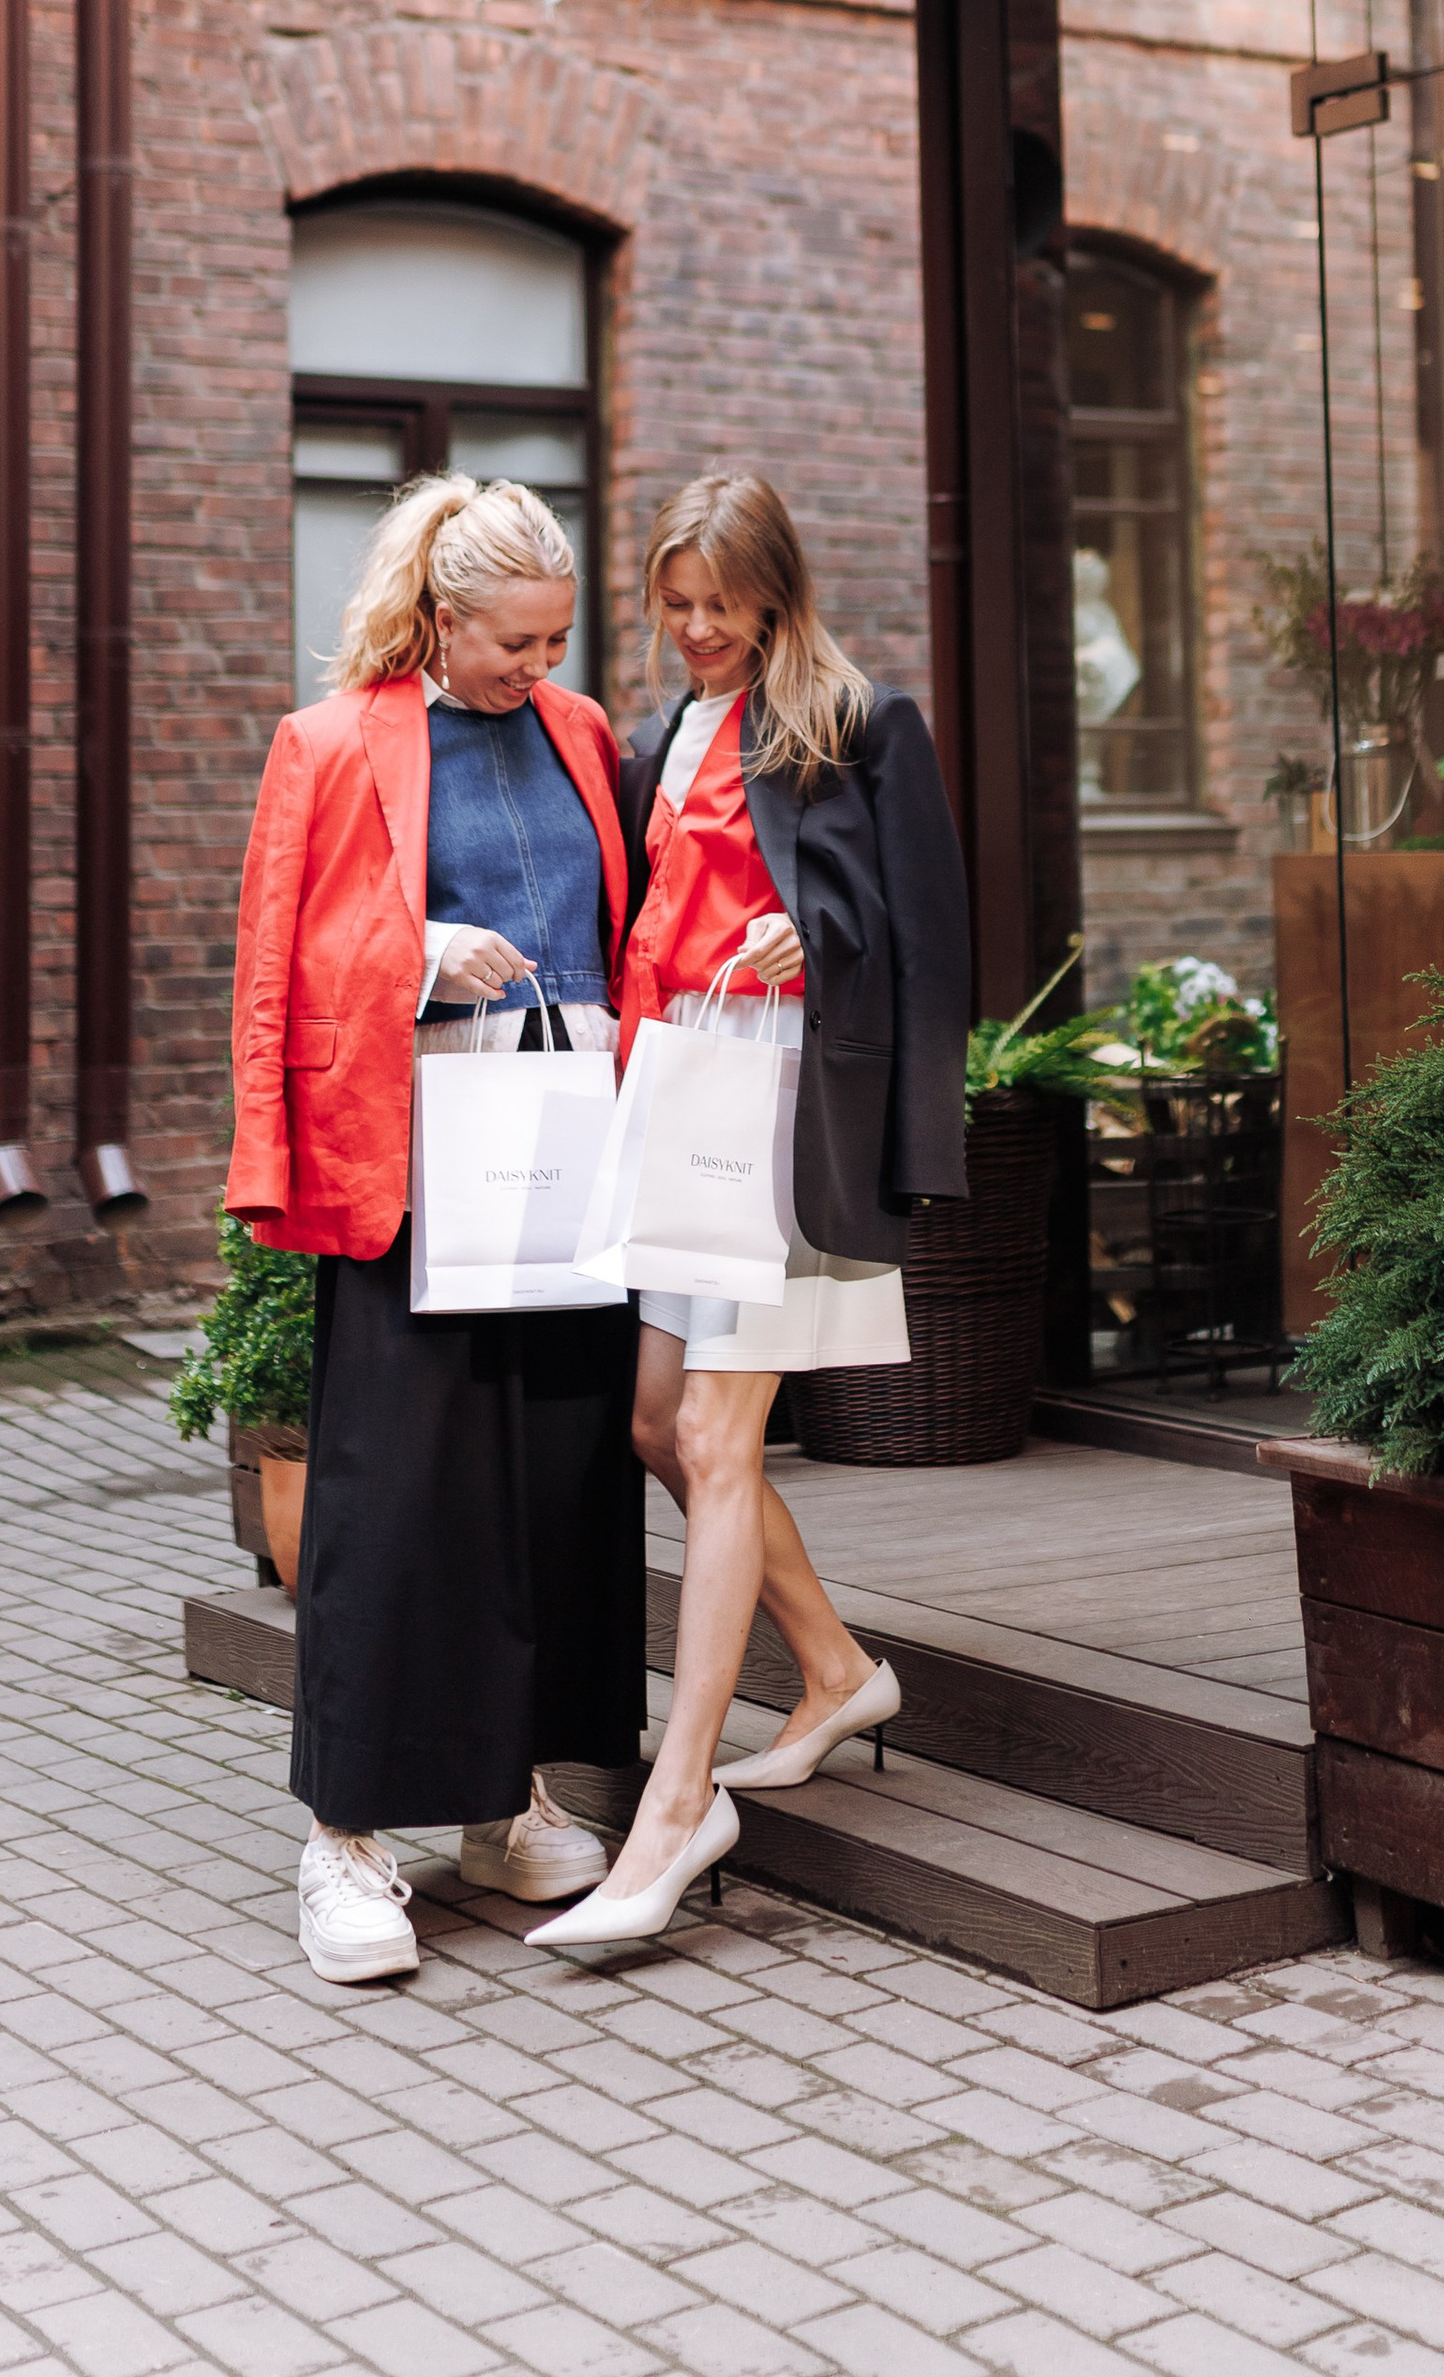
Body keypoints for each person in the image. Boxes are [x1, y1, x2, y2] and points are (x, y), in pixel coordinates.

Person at [530, 470, 971, 1951]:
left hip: (790, 1111)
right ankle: (837, 1669)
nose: (698, 628)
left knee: (718, 1436)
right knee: (660, 1424)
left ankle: (676, 1810)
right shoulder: (664, 733)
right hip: (680, 1099)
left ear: (777, 592)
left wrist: (815, 944)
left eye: (723, 604)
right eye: (675, 605)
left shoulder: (859, 725)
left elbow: (927, 945)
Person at [227, 473, 643, 1986]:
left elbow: (627, 924)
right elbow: (277, 965)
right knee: (396, 1510)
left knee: (553, 1495)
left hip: (566, 1161)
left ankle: (507, 1799)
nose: (541, 668)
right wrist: (412, 956)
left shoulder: (586, 737)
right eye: (516, 643)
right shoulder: (330, 744)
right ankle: (344, 1840)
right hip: (409, 1182)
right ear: (440, 616)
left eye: (556, 640)